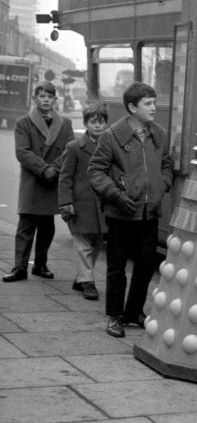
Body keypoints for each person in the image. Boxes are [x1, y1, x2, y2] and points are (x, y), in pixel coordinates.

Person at [88, 82, 172, 337]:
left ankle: (133, 312)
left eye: (154, 102)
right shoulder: (111, 136)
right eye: (148, 104)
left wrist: (161, 186)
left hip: (149, 212)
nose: (154, 108)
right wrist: (117, 196)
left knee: (145, 266)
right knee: (117, 267)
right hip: (121, 213)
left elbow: (166, 165)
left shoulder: (159, 133)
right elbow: (96, 171)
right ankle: (114, 316)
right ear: (132, 107)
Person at [3, 82, 74, 283]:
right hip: (33, 179)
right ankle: (20, 267)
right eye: (42, 96)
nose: (46, 100)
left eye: (50, 97)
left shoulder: (65, 123)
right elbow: (22, 152)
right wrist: (44, 169)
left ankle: (40, 264)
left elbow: (70, 149)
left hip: (52, 180)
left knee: (46, 225)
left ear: (54, 99)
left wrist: (55, 168)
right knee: (25, 226)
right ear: (35, 98)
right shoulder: (23, 122)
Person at [58, 102, 109, 300]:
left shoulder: (110, 146)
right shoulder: (74, 147)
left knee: (96, 245)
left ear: (106, 124)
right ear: (86, 123)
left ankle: (81, 277)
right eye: (93, 121)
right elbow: (65, 177)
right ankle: (88, 282)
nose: (97, 125)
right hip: (80, 205)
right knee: (83, 245)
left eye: (101, 121)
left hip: (102, 206)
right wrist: (65, 202)